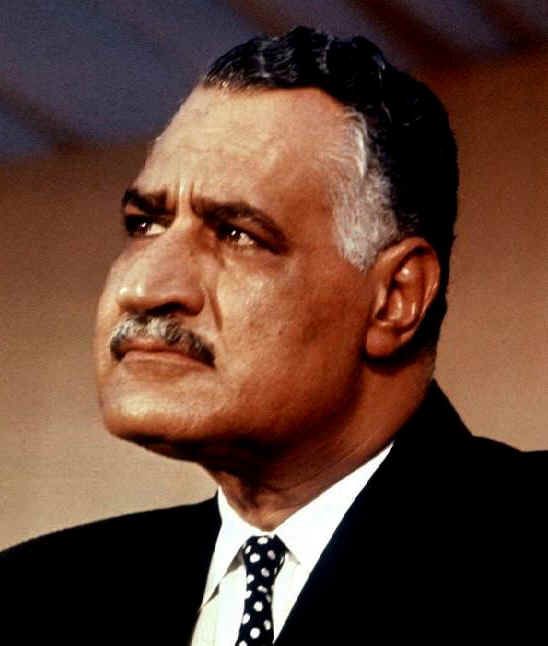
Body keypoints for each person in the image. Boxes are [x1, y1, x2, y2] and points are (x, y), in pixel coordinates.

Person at [2, 26, 546, 643]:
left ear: (395, 299)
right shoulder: (34, 594)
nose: (146, 287)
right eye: (145, 223)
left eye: (237, 234)